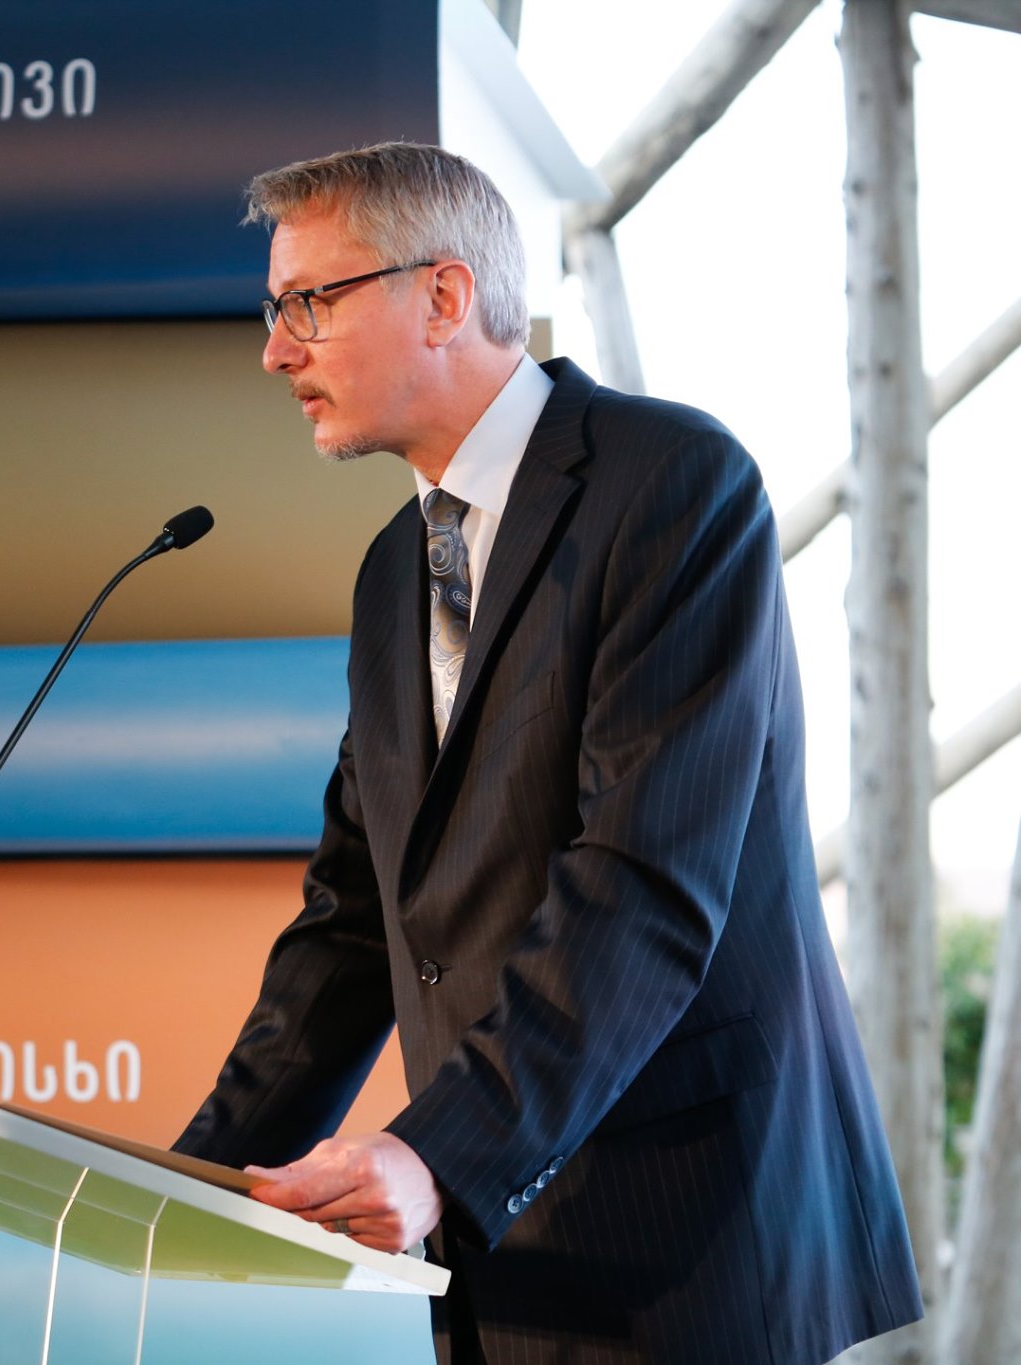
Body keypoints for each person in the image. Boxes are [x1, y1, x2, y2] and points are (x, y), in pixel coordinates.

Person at [173, 143, 921, 1364]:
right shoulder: (390, 573)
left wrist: (435, 1154)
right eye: (274, 310)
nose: (275, 350)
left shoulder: (673, 485)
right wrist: (186, 1183)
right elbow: (354, 923)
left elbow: (642, 882)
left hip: (692, 1241)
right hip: (496, 1264)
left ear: (442, 296)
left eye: (308, 302)